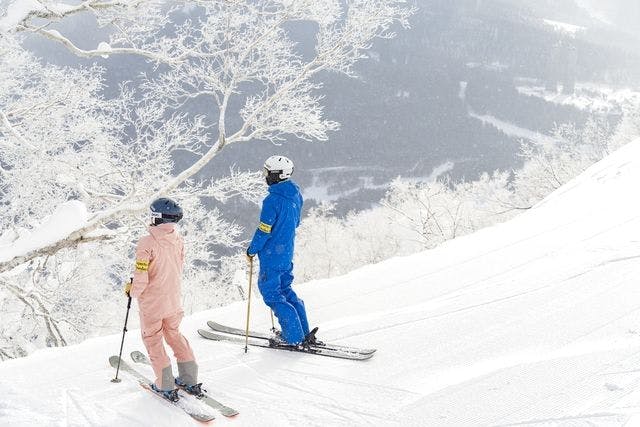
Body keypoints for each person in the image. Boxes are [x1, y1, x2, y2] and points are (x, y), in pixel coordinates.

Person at [124, 197, 200, 402]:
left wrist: (132, 291)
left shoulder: (146, 242)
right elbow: (178, 266)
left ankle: (165, 383)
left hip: (153, 303)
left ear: (157, 217)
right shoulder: (177, 238)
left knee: (153, 340)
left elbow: (141, 275)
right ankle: (189, 378)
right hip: (174, 299)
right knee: (174, 335)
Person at [246, 155, 319, 347]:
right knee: (286, 290)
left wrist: (252, 249)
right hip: (286, 252)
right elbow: (296, 222)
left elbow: (264, 229)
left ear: (277, 175)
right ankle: (302, 331)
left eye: (267, 172)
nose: (265, 176)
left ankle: (293, 337)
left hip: (271, 255)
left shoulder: (272, 200)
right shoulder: (295, 194)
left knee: (271, 292)